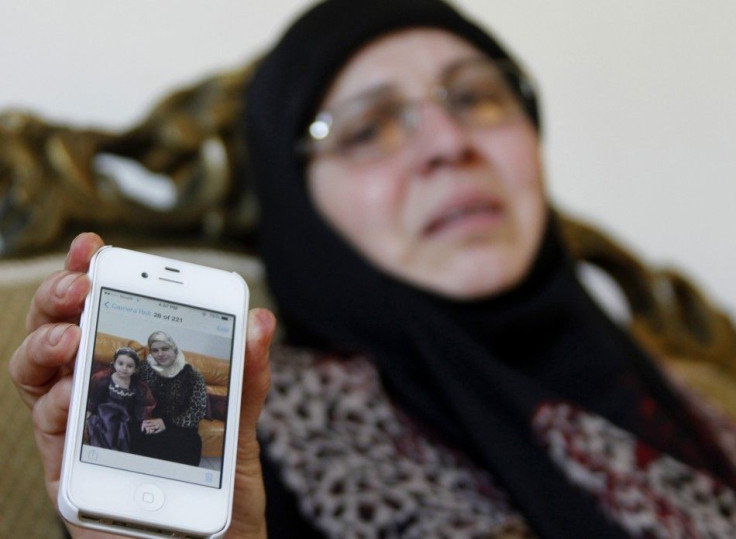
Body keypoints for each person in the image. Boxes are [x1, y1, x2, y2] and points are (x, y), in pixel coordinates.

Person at [8, 0, 736, 537]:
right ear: (298, 210)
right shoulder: (254, 436)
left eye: (478, 97)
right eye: (366, 128)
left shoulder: (696, 400)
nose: (448, 143)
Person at [131, 331, 208, 466]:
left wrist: (166, 423)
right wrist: (143, 418)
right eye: (155, 350)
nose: (160, 354)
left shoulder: (193, 376)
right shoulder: (144, 368)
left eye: (165, 348)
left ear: (174, 349)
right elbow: (132, 392)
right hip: (150, 420)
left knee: (188, 445)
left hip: (178, 425)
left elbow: (197, 410)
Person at [86, 347, 155, 453]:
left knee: (124, 430)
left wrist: (144, 418)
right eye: (121, 363)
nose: (124, 368)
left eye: (129, 366)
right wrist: (89, 411)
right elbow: (94, 396)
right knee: (105, 424)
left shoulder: (138, 386)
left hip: (125, 417)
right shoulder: (103, 378)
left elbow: (144, 404)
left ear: (135, 369)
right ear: (114, 363)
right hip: (104, 413)